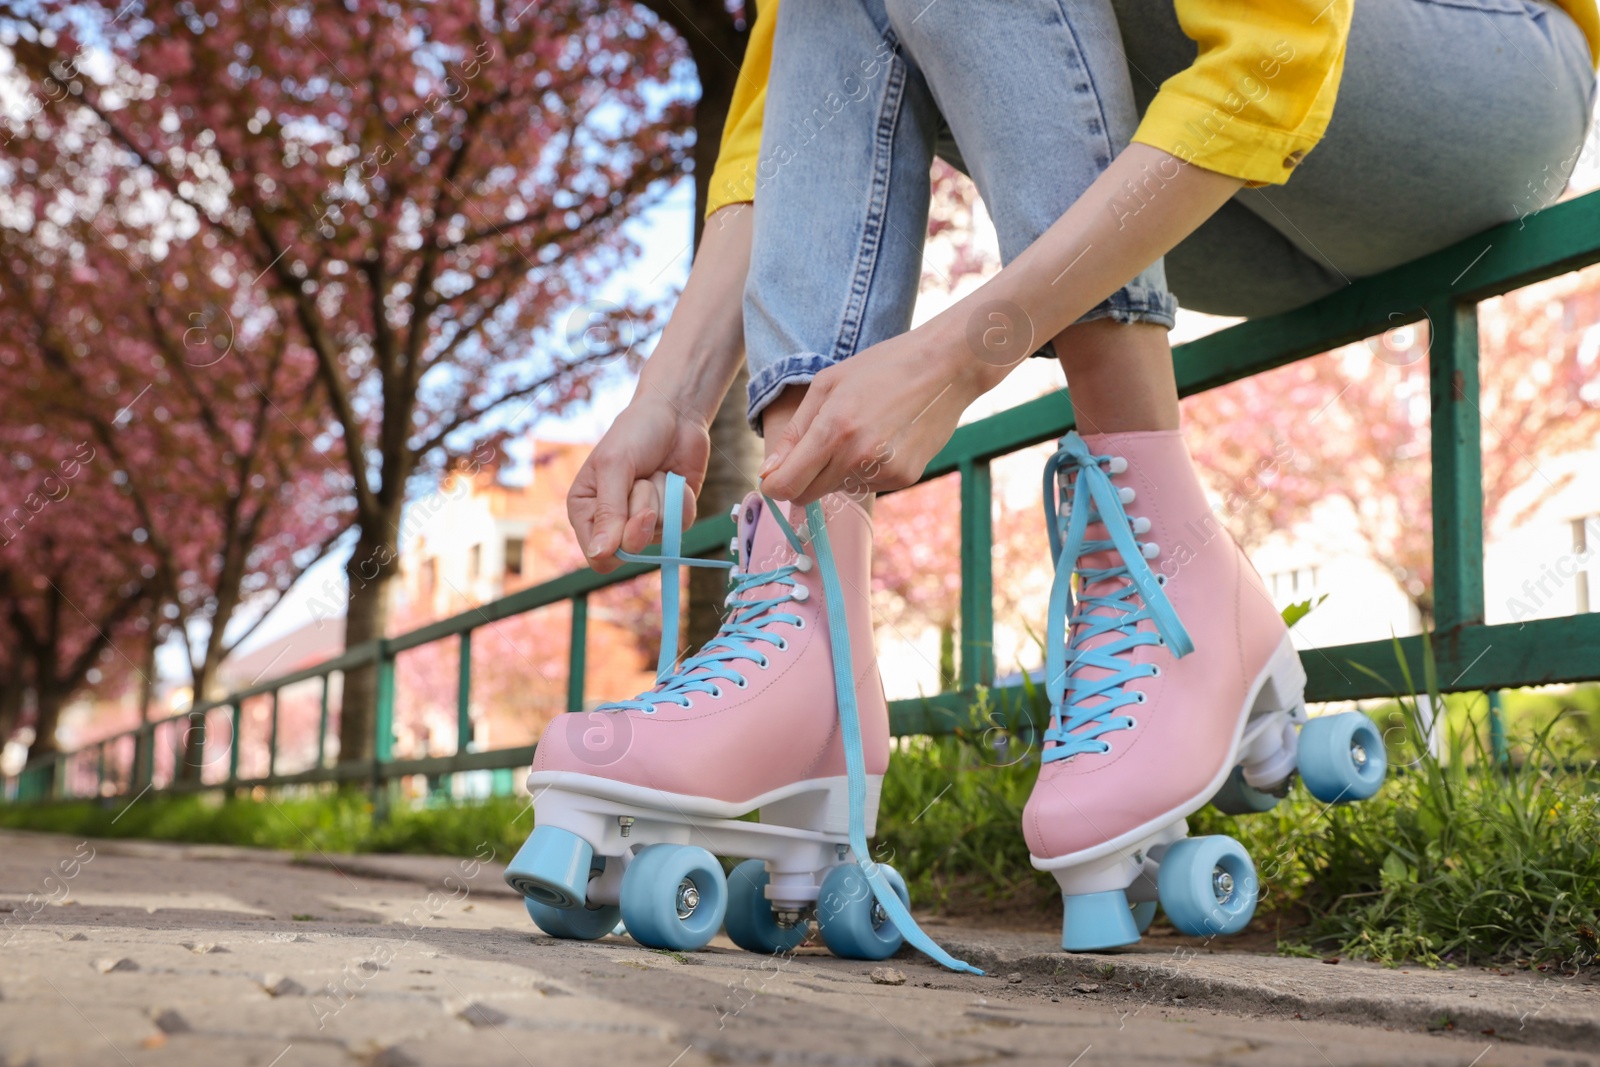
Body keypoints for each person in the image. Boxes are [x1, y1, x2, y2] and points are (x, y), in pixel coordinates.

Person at [546, 0, 1597, 954]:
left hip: (1469, 95)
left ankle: (1165, 559)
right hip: (1213, 185)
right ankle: (802, 627)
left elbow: (1282, 48)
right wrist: (674, 396)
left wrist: (972, 347)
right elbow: (782, 112)